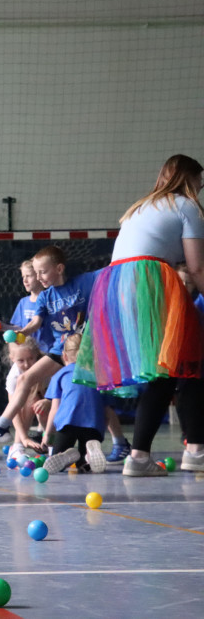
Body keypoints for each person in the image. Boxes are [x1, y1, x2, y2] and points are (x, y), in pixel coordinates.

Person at [75, 154, 204, 476]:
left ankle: (166, 451)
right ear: (190, 179)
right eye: (200, 181)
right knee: (177, 365)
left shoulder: (141, 206)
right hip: (150, 281)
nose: (201, 188)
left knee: (166, 368)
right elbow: (196, 266)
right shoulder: (187, 206)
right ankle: (176, 452)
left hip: (115, 285)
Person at [0, 245, 100, 460]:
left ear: (59, 268)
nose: (39, 277)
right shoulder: (44, 297)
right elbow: (36, 322)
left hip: (86, 350)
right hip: (60, 351)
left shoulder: (83, 283)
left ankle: (110, 443)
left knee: (91, 397)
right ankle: (1, 426)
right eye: (36, 272)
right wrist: (23, 331)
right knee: (25, 379)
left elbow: (111, 272)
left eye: (43, 272)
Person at [0, 259, 54, 444]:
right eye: (23, 277)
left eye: (29, 276)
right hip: (27, 356)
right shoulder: (23, 302)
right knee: (19, 394)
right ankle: (17, 440)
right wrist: (4, 326)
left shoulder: (49, 299)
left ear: (39, 275)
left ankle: (36, 438)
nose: (25, 280)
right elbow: (20, 328)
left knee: (37, 400)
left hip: (45, 357)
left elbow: (37, 326)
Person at [34, 334, 108, 473]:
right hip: (93, 425)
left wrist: (47, 434)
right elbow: (107, 410)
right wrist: (100, 432)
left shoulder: (60, 374)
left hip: (68, 422)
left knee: (55, 458)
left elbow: (54, 409)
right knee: (87, 458)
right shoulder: (100, 375)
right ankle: (85, 458)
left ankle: (66, 454)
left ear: (64, 356)